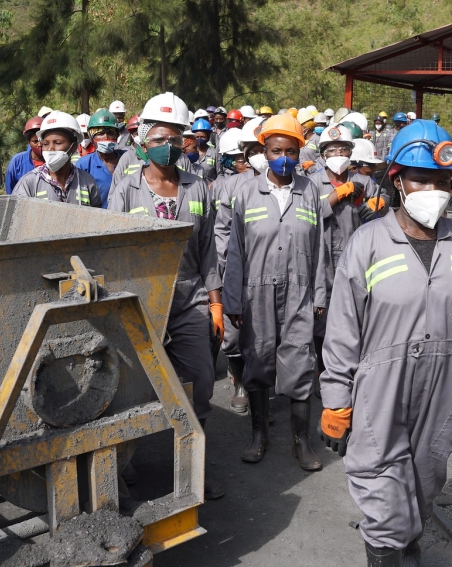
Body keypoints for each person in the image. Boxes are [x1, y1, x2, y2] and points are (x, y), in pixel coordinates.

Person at [319, 120, 452, 567]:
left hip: (443, 391)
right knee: (381, 498)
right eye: (421, 179)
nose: (431, 190)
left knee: (423, 485)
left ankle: (408, 548)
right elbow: (342, 331)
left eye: (440, 181)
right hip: (381, 391)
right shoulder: (368, 244)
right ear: (397, 180)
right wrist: (337, 399)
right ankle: (386, 553)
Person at [109, 93, 225, 500]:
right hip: (138, 303)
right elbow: (112, 249)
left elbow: (209, 247)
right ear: (143, 139)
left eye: (177, 139)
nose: (169, 146)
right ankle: (124, 464)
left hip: (189, 298)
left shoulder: (198, 188)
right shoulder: (125, 189)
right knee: (130, 387)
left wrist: (216, 302)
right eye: (161, 137)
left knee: (200, 384)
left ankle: (192, 470)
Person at [223, 114, 327, 471]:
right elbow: (235, 249)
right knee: (258, 360)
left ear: (300, 153)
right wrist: (233, 299)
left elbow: (321, 246)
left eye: (291, 151)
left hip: (300, 290)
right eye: (276, 150)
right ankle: (259, 436)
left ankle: (302, 442)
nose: (284, 157)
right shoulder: (245, 191)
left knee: (300, 362)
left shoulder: (310, 190)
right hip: (255, 291)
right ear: (263, 152)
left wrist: (321, 294)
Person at [312, 125, 386, 384]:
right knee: (323, 320)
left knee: (357, 315)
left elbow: (384, 199)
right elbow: (309, 214)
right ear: (323, 155)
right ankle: (324, 371)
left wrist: (381, 203)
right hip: (323, 261)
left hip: (357, 259)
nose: (337, 154)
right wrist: (334, 196)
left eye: (343, 149)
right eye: (332, 150)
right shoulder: (312, 182)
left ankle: (356, 371)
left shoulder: (363, 181)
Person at [211, 122, 262, 414]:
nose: (259, 157)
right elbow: (222, 231)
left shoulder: (288, 184)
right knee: (234, 335)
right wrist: (226, 267)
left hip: (272, 272)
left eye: (262, 150)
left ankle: (261, 385)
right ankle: (240, 383)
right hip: (236, 271)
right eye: (252, 151)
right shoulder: (231, 186)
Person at [12, 111, 103, 207]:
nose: (50, 148)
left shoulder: (87, 182)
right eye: (46, 143)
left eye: (58, 142)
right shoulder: (29, 184)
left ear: (73, 147)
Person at [75, 109, 126, 207]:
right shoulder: (84, 164)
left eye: (110, 133)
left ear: (116, 136)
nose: (105, 137)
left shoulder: (126, 159)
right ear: (92, 138)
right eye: (100, 134)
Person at [4, 116, 44, 194]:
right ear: (29, 142)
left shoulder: (53, 162)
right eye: (35, 141)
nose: (40, 144)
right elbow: (10, 190)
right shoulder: (17, 162)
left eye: (42, 140)